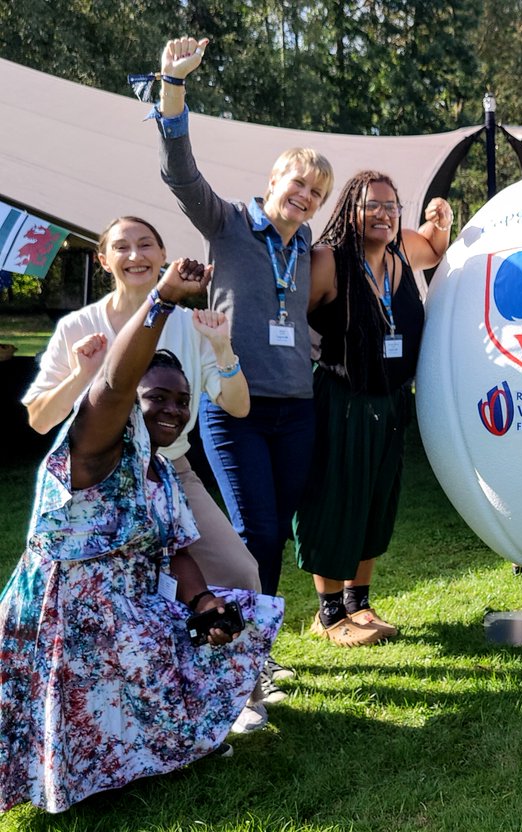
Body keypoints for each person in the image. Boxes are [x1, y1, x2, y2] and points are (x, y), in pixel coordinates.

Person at [0, 259, 283, 814]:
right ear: (133, 401)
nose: (174, 410)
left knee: (242, 612)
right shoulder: (96, 447)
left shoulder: (160, 470)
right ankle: (85, 773)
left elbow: (175, 549)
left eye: (182, 400)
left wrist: (203, 601)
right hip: (63, 616)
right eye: (158, 398)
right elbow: (111, 382)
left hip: (125, 608)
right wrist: (162, 301)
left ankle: (151, 746)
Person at [153, 37, 333, 677]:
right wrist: (173, 86)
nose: (305, 195)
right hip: (235, 412)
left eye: (316, 190)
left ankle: (258, 645)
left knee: (273, 530)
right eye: (298, 182)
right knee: (254, 528)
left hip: (297, 411)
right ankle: (245, 655)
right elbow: (179, 172)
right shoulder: (227, 222)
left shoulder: (307, 243)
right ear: (273, 181)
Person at [294, 170, 451, 646]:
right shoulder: (328, 262)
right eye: (372, 206)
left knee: (375, 503)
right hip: (342, 401)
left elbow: (435, 247)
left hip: (390, 402)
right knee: (334, 501)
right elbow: (283, 309)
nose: (383, 214)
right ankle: (328, 613)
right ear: (350, 211)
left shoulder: (401, 247)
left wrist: (440, 222)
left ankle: (358, 603)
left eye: (390, 205)